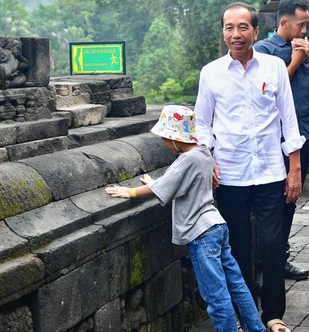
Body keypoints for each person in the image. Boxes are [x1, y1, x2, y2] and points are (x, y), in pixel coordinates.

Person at [194, 2, 305, 332]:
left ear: (256, 32)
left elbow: (289, 119)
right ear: (223, 32)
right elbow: (201, 122)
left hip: (271, 171)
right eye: (229, 27)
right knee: (238, 249)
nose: (236, 34)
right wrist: (208, 157)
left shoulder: (273, 67)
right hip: (230, 173)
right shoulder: (211, 73)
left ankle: (273, 315)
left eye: (243, 27)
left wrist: (295, 168)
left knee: (272, 246)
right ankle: (246, 313)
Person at [105, 105, 266, 332]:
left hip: (201, 233)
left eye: (164, 138)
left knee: (216, 295)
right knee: (236, 284)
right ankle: (255, 328)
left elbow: (164, 186)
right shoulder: (203, 152)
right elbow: (176, 183)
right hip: (217, 225)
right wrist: (154, 182)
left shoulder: (185, 160)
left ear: (174, 137)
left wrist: (129, 192)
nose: (163, 143)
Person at [254, 0, 309, 283]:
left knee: (290, 200)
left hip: (302, 132)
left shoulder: (305, 47)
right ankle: (262, 266)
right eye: (301, 24)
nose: (305, 30)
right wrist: (295, 62)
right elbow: (265, 93)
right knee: (270, 202)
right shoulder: (263, 51)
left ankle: (280, 259)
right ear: (283, 22)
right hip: (274, 138)